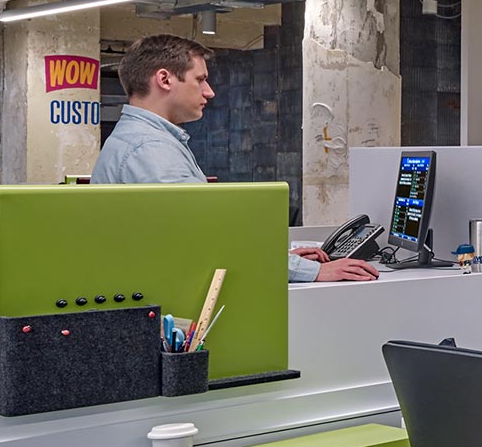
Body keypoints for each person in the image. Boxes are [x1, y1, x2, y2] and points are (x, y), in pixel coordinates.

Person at [92, 34, 378, 284]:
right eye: (200, 79)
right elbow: (210, 236)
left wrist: (282, 258)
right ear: (164, 79)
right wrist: (311, 271)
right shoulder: (149, 149)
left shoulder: (143, 141)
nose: (209, 91)